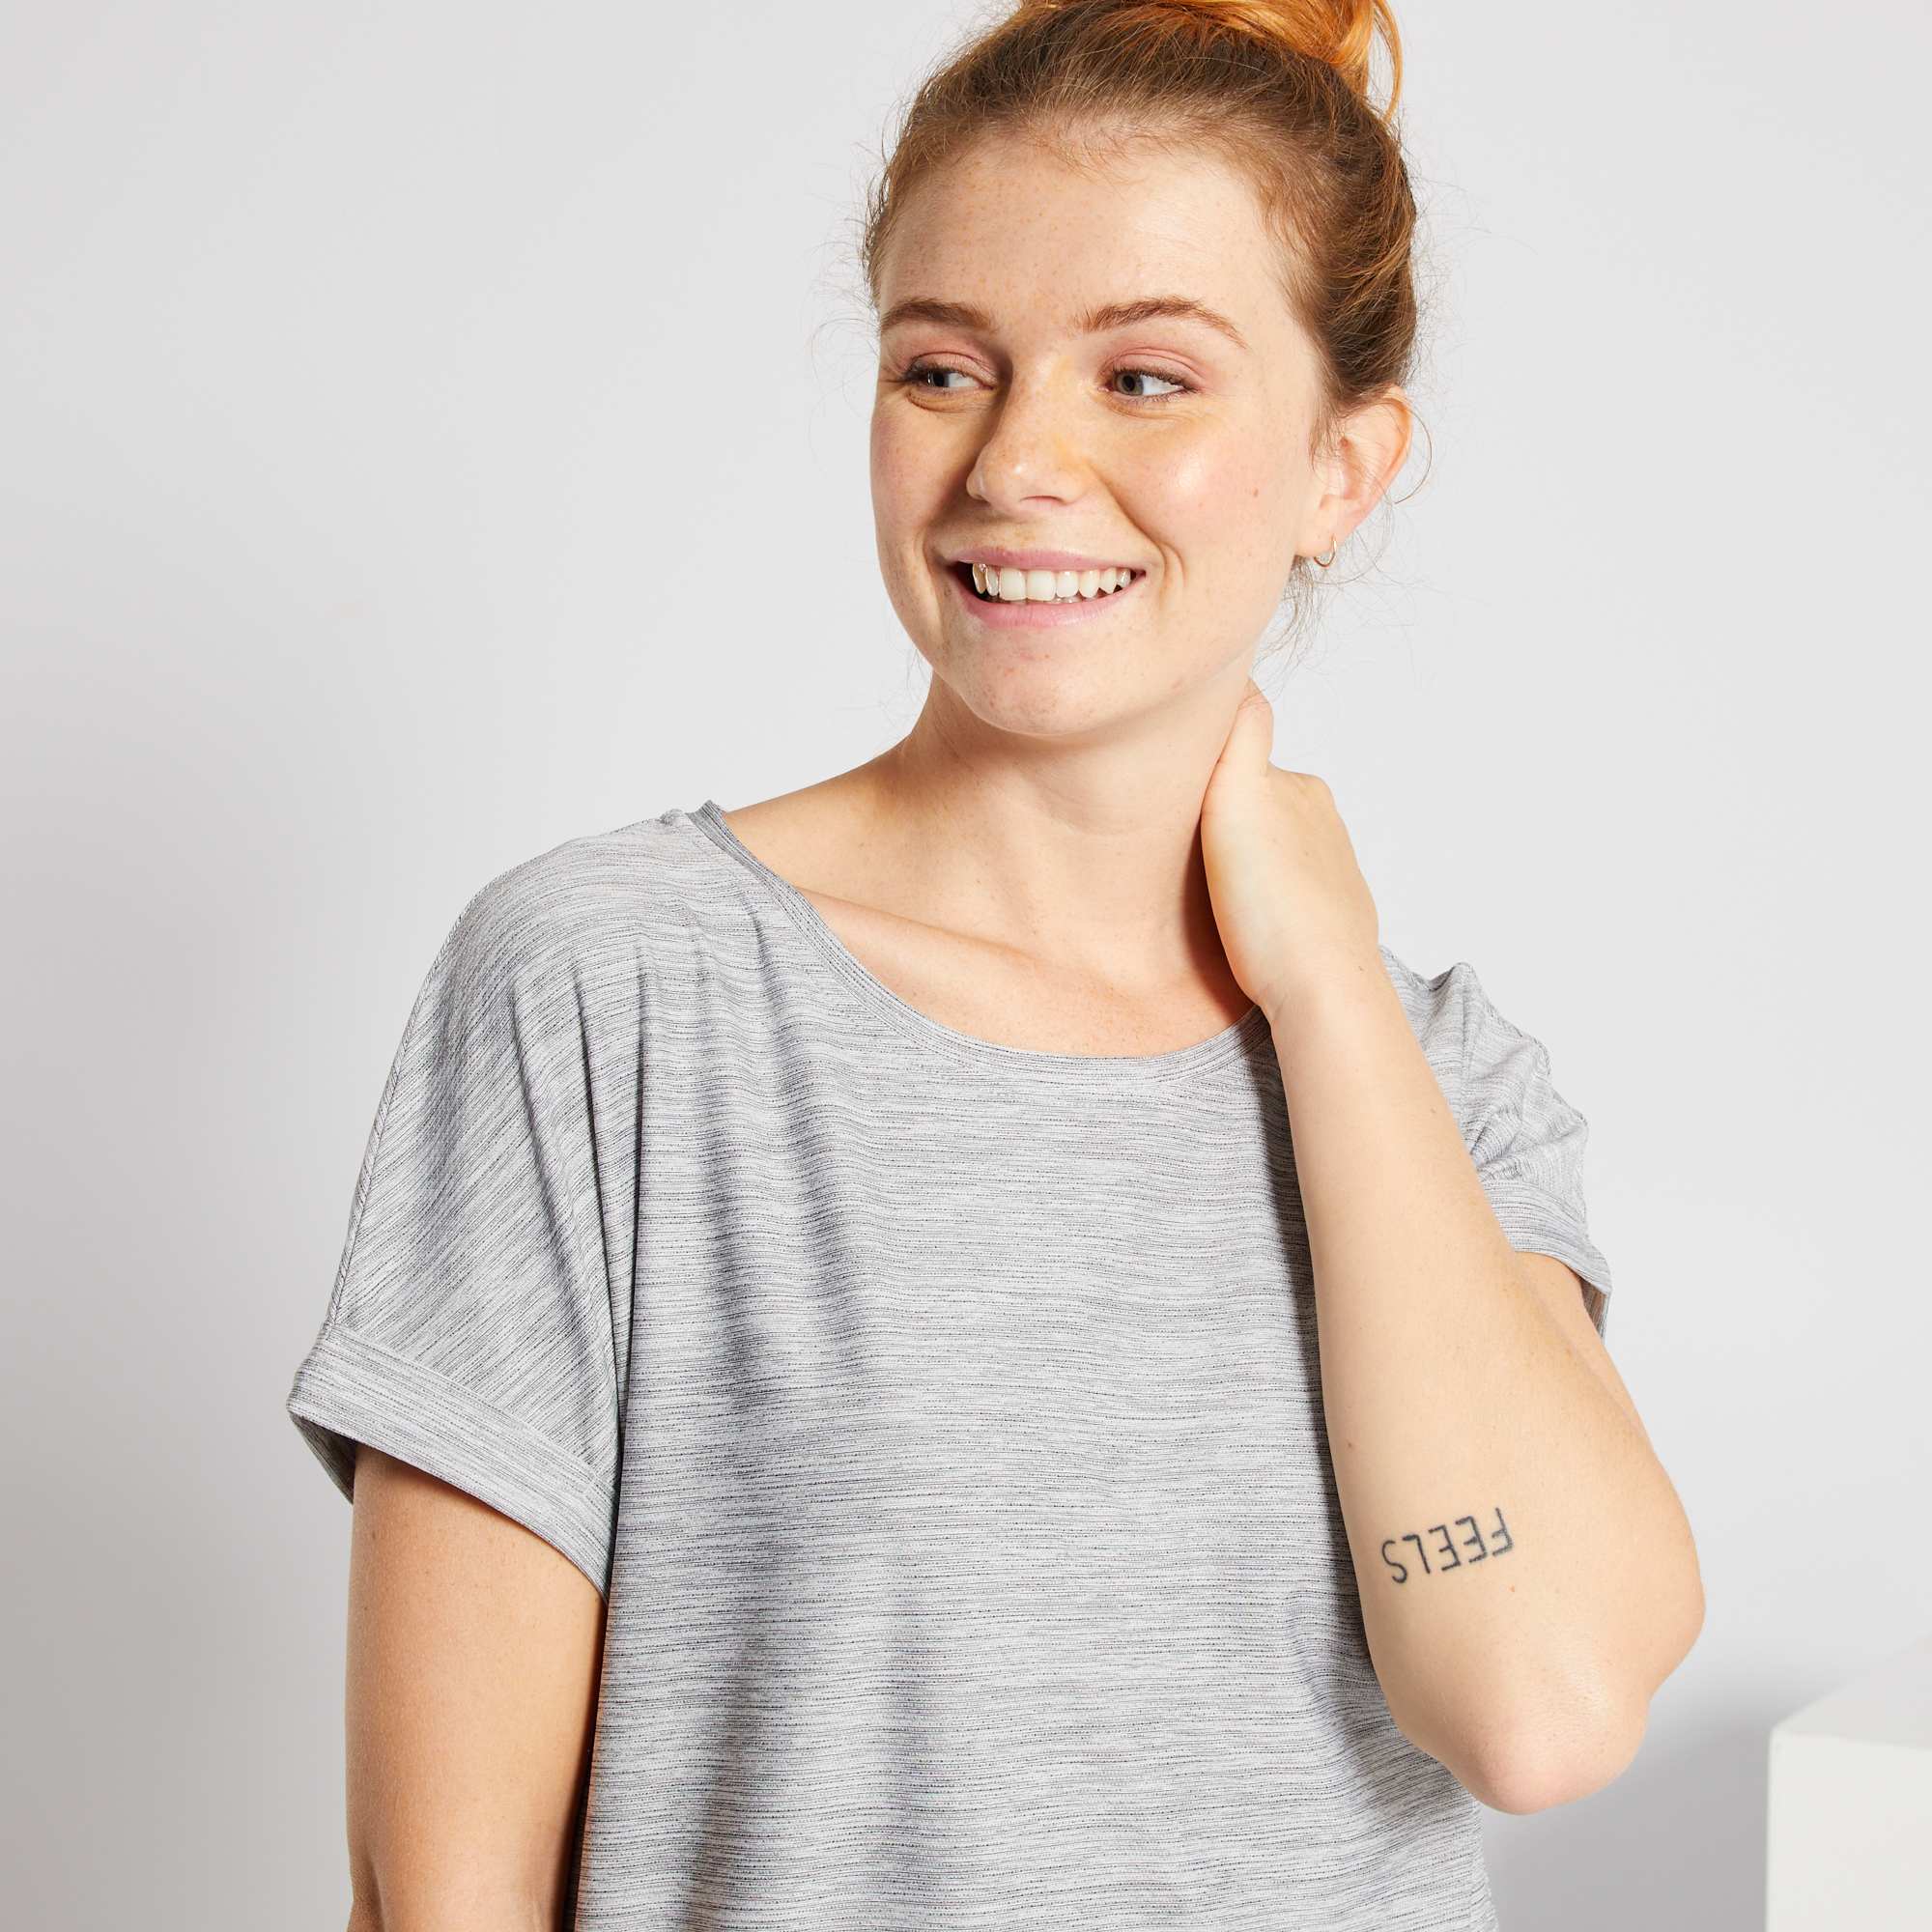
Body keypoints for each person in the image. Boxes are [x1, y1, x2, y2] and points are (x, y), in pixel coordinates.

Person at [286, 2, 1703, 1925]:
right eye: (943, 368)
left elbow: (1535, 1708)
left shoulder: (1437, 1081)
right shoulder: (621, 991)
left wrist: (1327, 988)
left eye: (1146, 378)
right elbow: (439, 1900)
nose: (1019, 460)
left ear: (1341, 468)